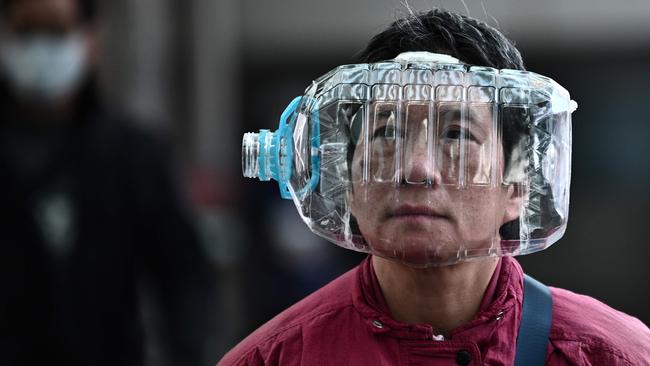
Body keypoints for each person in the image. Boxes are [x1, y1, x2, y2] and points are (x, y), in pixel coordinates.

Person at [222, 8, 650, 366]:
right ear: (347, 179)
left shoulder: (609, 355)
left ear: (518, 185)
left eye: (457, 135)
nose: (416, 169)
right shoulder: (275, 357)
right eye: (385, 133)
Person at [0, 0, 214, 365]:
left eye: (54, 32)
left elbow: (183, 278)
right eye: (27, 32)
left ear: (89, 40)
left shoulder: (132, 154)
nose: (40, 48)